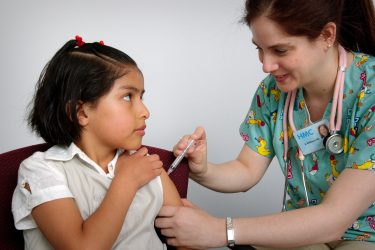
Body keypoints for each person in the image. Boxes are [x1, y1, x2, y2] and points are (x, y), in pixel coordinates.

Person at [155, 0, 375, 249]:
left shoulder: (371, 90)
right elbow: (246, 169)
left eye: (280, 51)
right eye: (259, 48)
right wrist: (203, 170)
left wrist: (220, 230)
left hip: (365, 235)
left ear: (327, 35)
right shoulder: (274, 91)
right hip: (301, 232)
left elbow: (335, 218)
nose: (266, 66)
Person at [11, 36, 191, 250]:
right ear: (81, 112)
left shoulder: (147, 166)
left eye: (141, 97)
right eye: (127, 97)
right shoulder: (39, 171)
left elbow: (189, 240)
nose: (145, 112)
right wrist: (125, 182)